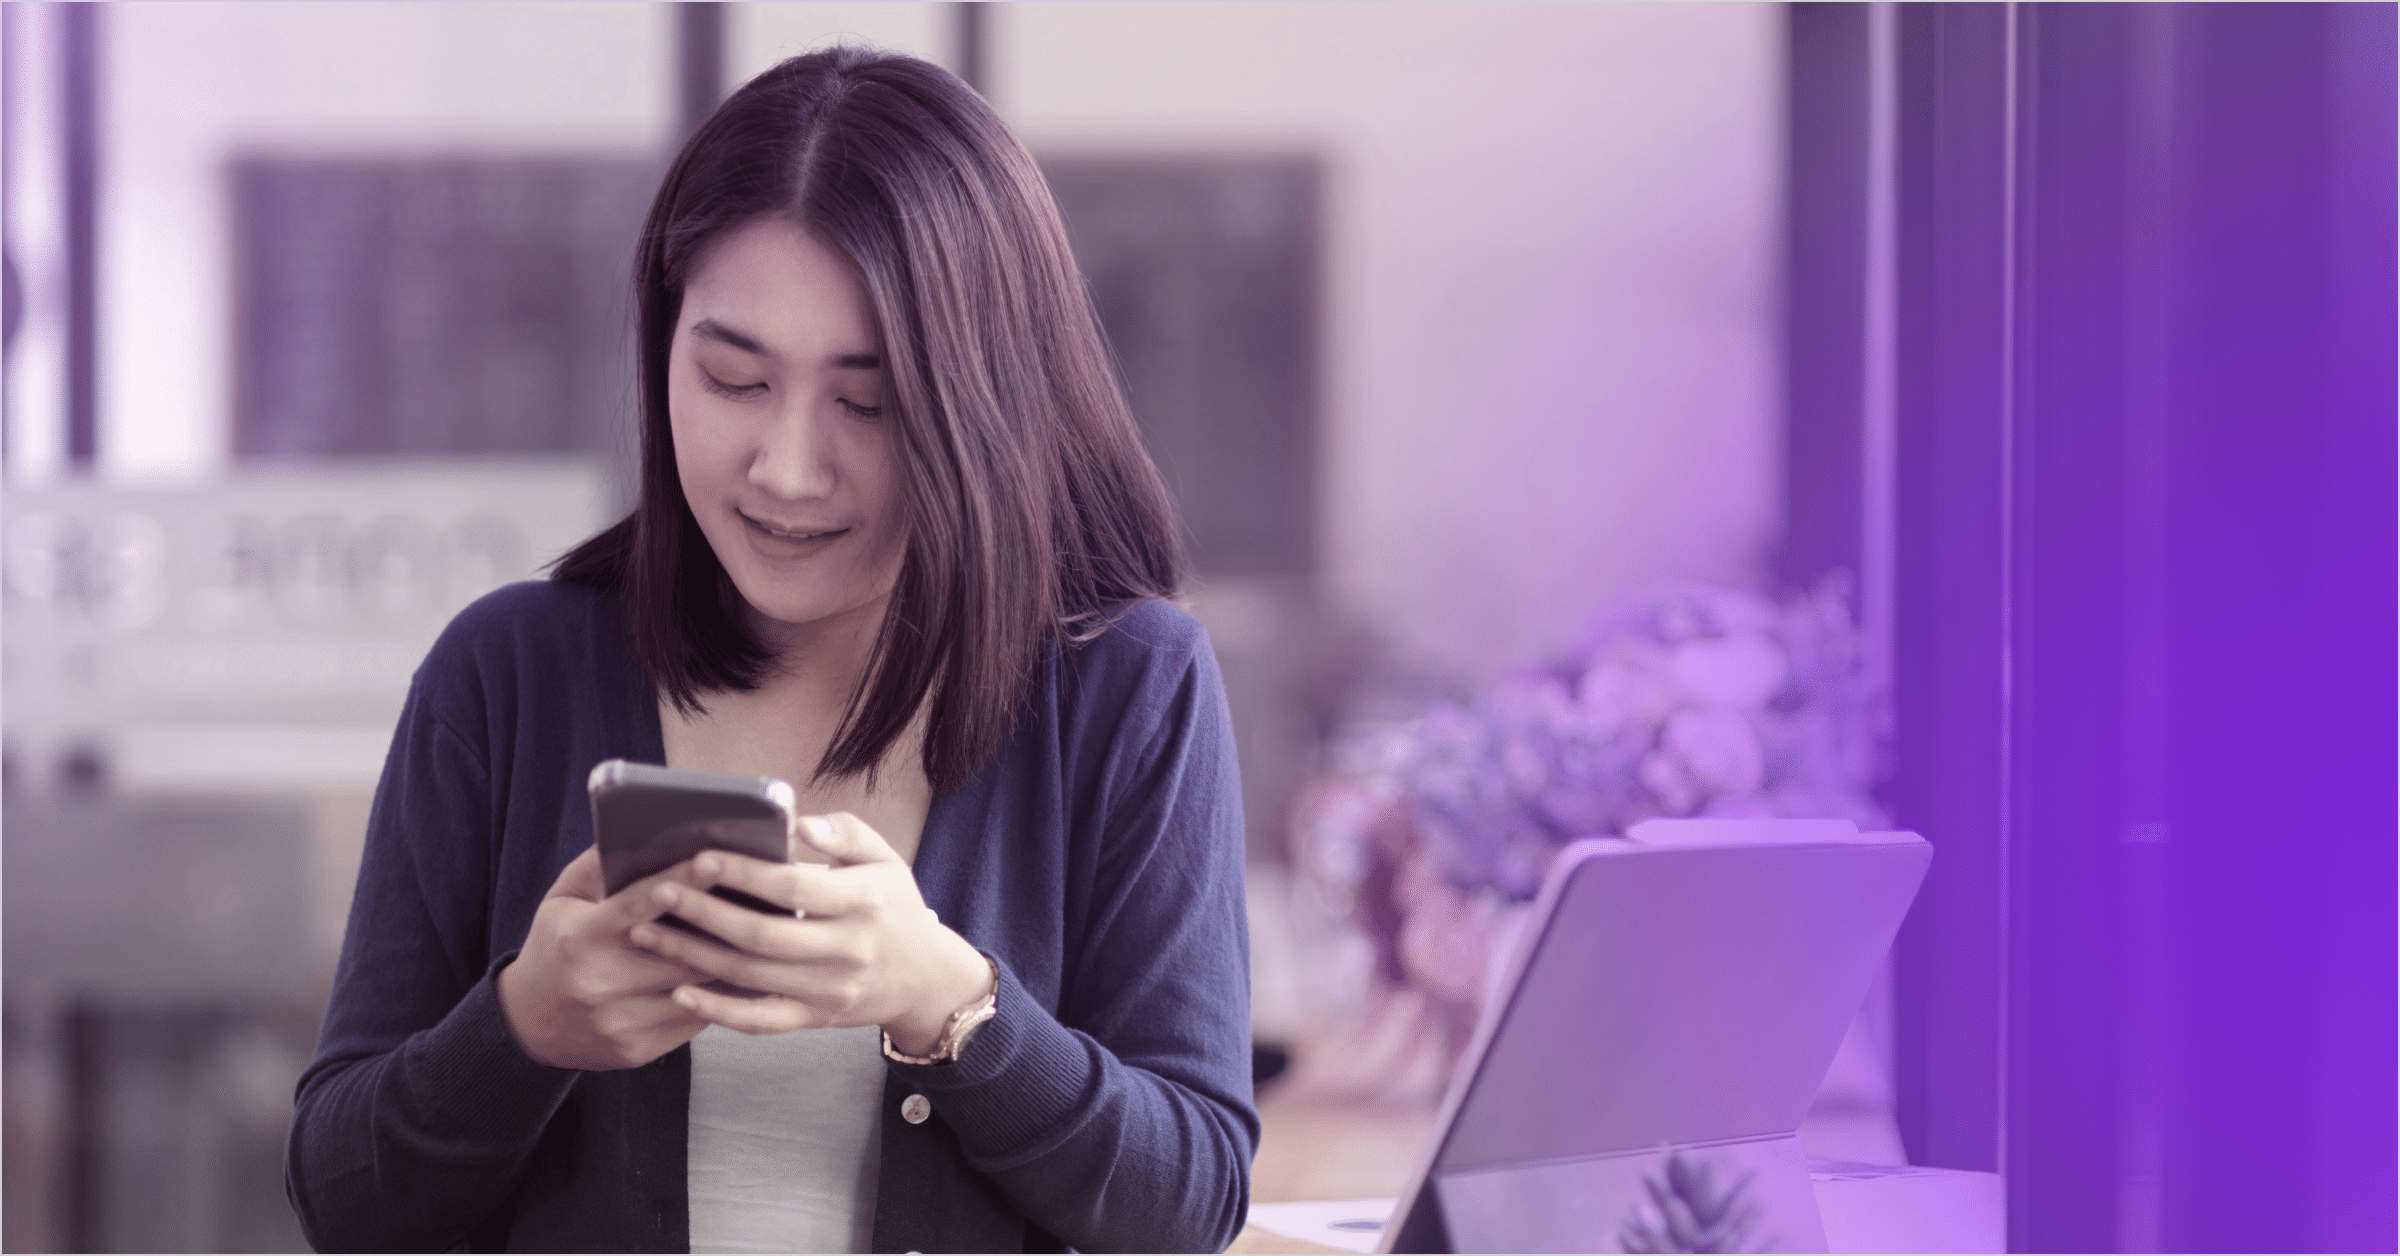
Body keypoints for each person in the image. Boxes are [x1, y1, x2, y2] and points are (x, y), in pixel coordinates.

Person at [285, 47, 1256, 1254]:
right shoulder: (508, 671)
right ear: (662, 348)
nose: (787, 469)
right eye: (733, 377)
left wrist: (950, 1003)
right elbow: (342, 1193)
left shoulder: (1125, 683)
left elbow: (1192, 1205)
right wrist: (524, 1025)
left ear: (985, 401)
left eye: (871, 403)